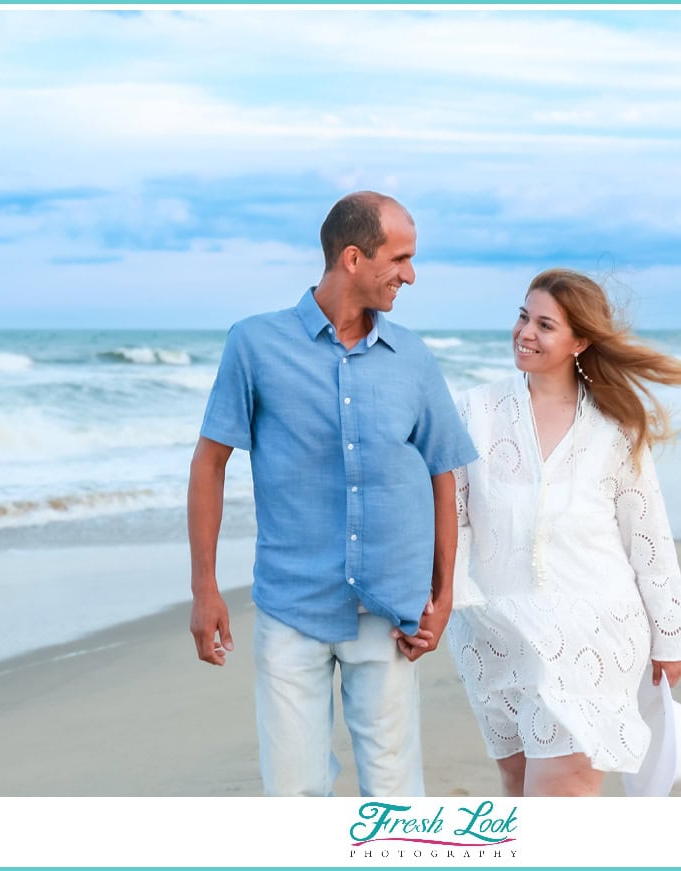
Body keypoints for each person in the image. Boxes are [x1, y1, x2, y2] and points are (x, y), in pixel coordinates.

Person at [188, 191, 478, 797]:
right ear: (353, 258)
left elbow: (443, 472)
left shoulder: (414, 359)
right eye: (399, 258)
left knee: (395, 793)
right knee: (294, 793)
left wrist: (444, 596)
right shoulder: (254, 345)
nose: (410, 275)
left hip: (389, 611)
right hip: (292, 606)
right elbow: (210, 462)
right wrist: (205, 588)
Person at [446, 268, 681, 797]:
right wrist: (447, 601)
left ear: (579, 341)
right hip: (494, 632)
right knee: (516, 786)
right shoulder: (474, 411)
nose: (525, 333)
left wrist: (671, 638)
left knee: (560, 796)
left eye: (545, 325)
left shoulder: (615, 426)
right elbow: (454, 518)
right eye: (523, 316)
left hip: (594, 634)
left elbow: (649, 541)